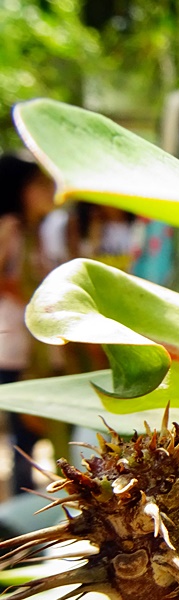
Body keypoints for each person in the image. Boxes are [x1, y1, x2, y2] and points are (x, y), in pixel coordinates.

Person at [0, 154, 55, 494]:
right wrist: (28, 295)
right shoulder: (10, 228)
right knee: (23, 438)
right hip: (12, 348)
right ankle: (20, 503)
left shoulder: (37, 231)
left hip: (35, 350)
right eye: (39, 184)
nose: (48, 190)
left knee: (33, 434)